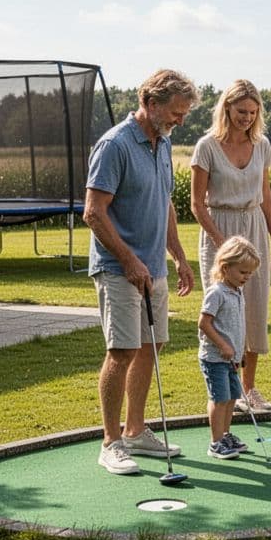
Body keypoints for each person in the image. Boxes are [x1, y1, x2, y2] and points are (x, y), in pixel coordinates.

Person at [84, 68, 198, 476]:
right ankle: (111, 442)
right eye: (174, 113)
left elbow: (164, 203)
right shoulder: (114, 145)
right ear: (150, 103)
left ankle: (135, 431)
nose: (179, 122)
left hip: (153, 266)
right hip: (118, 268)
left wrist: (180, 256)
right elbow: (94, 214)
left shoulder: (162, 143)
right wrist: (129, 260)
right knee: (122, 351)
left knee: (153, 346)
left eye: (184, 114)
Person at [190, 79, 271, 412]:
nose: (246, 117)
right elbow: (197, 204)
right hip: (220, 229)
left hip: (253, 225)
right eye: (241, 110)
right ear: (226, 108)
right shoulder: (207, 146)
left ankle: (249, 388)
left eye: (252, 112)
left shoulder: (261, 145)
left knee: (254, 309)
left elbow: (266, 195)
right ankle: (223, 391)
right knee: (223, 311)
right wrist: (222, 242)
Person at [198, 236, 261, 461]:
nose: (247, 277)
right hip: (215, 357)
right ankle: (215, 442)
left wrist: (240, 349)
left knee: (232, 396)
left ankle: (225, 435)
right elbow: (204, 323)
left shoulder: (237, 291)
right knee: (219, 398)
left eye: (249, 273)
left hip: (232, 357)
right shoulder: (216, 293)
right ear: (225, 267)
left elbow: (237, 324)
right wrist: (223, 345)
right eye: (243, 272)